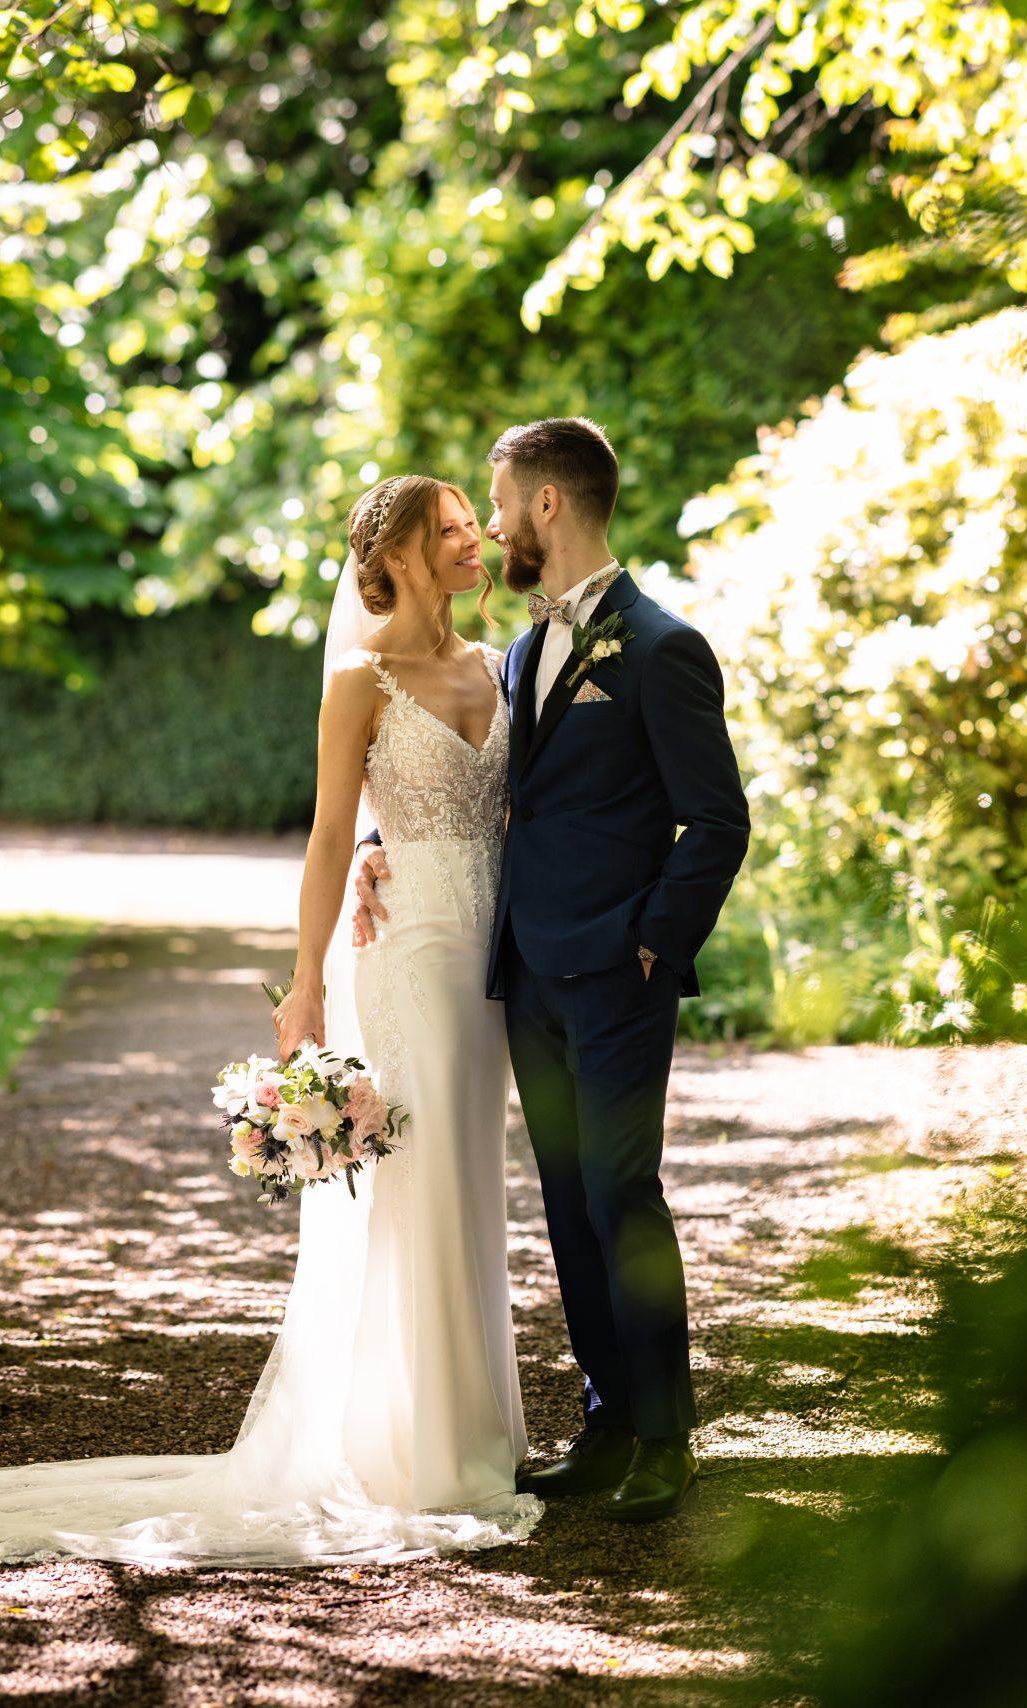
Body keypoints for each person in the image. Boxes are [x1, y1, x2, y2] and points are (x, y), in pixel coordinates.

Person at [0, 476, 542, 1566]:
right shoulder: (358, 681)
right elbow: (334, 837)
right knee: (414, 1182)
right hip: (410, 954)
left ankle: (479, 1428)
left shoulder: (498, 664)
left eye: (475, 524)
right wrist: (307, 984)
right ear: (396, 555)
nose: (476, 539)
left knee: (474, 1173)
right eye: (452, 530)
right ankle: (421, 1449)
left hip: (495, 959)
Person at [353, 417, 749, 1522]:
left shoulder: (662, 647)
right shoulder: (523, 651)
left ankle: (667, 1435)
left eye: (499, 500)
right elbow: (491, 801)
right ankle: (608, 1418)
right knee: (570, 1202)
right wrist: (378, 849)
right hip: (524, 973)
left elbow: (715, 822)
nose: (487, 525)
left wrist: (654, 940)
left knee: (624, 1191)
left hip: (617, 972)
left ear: (548, 506)